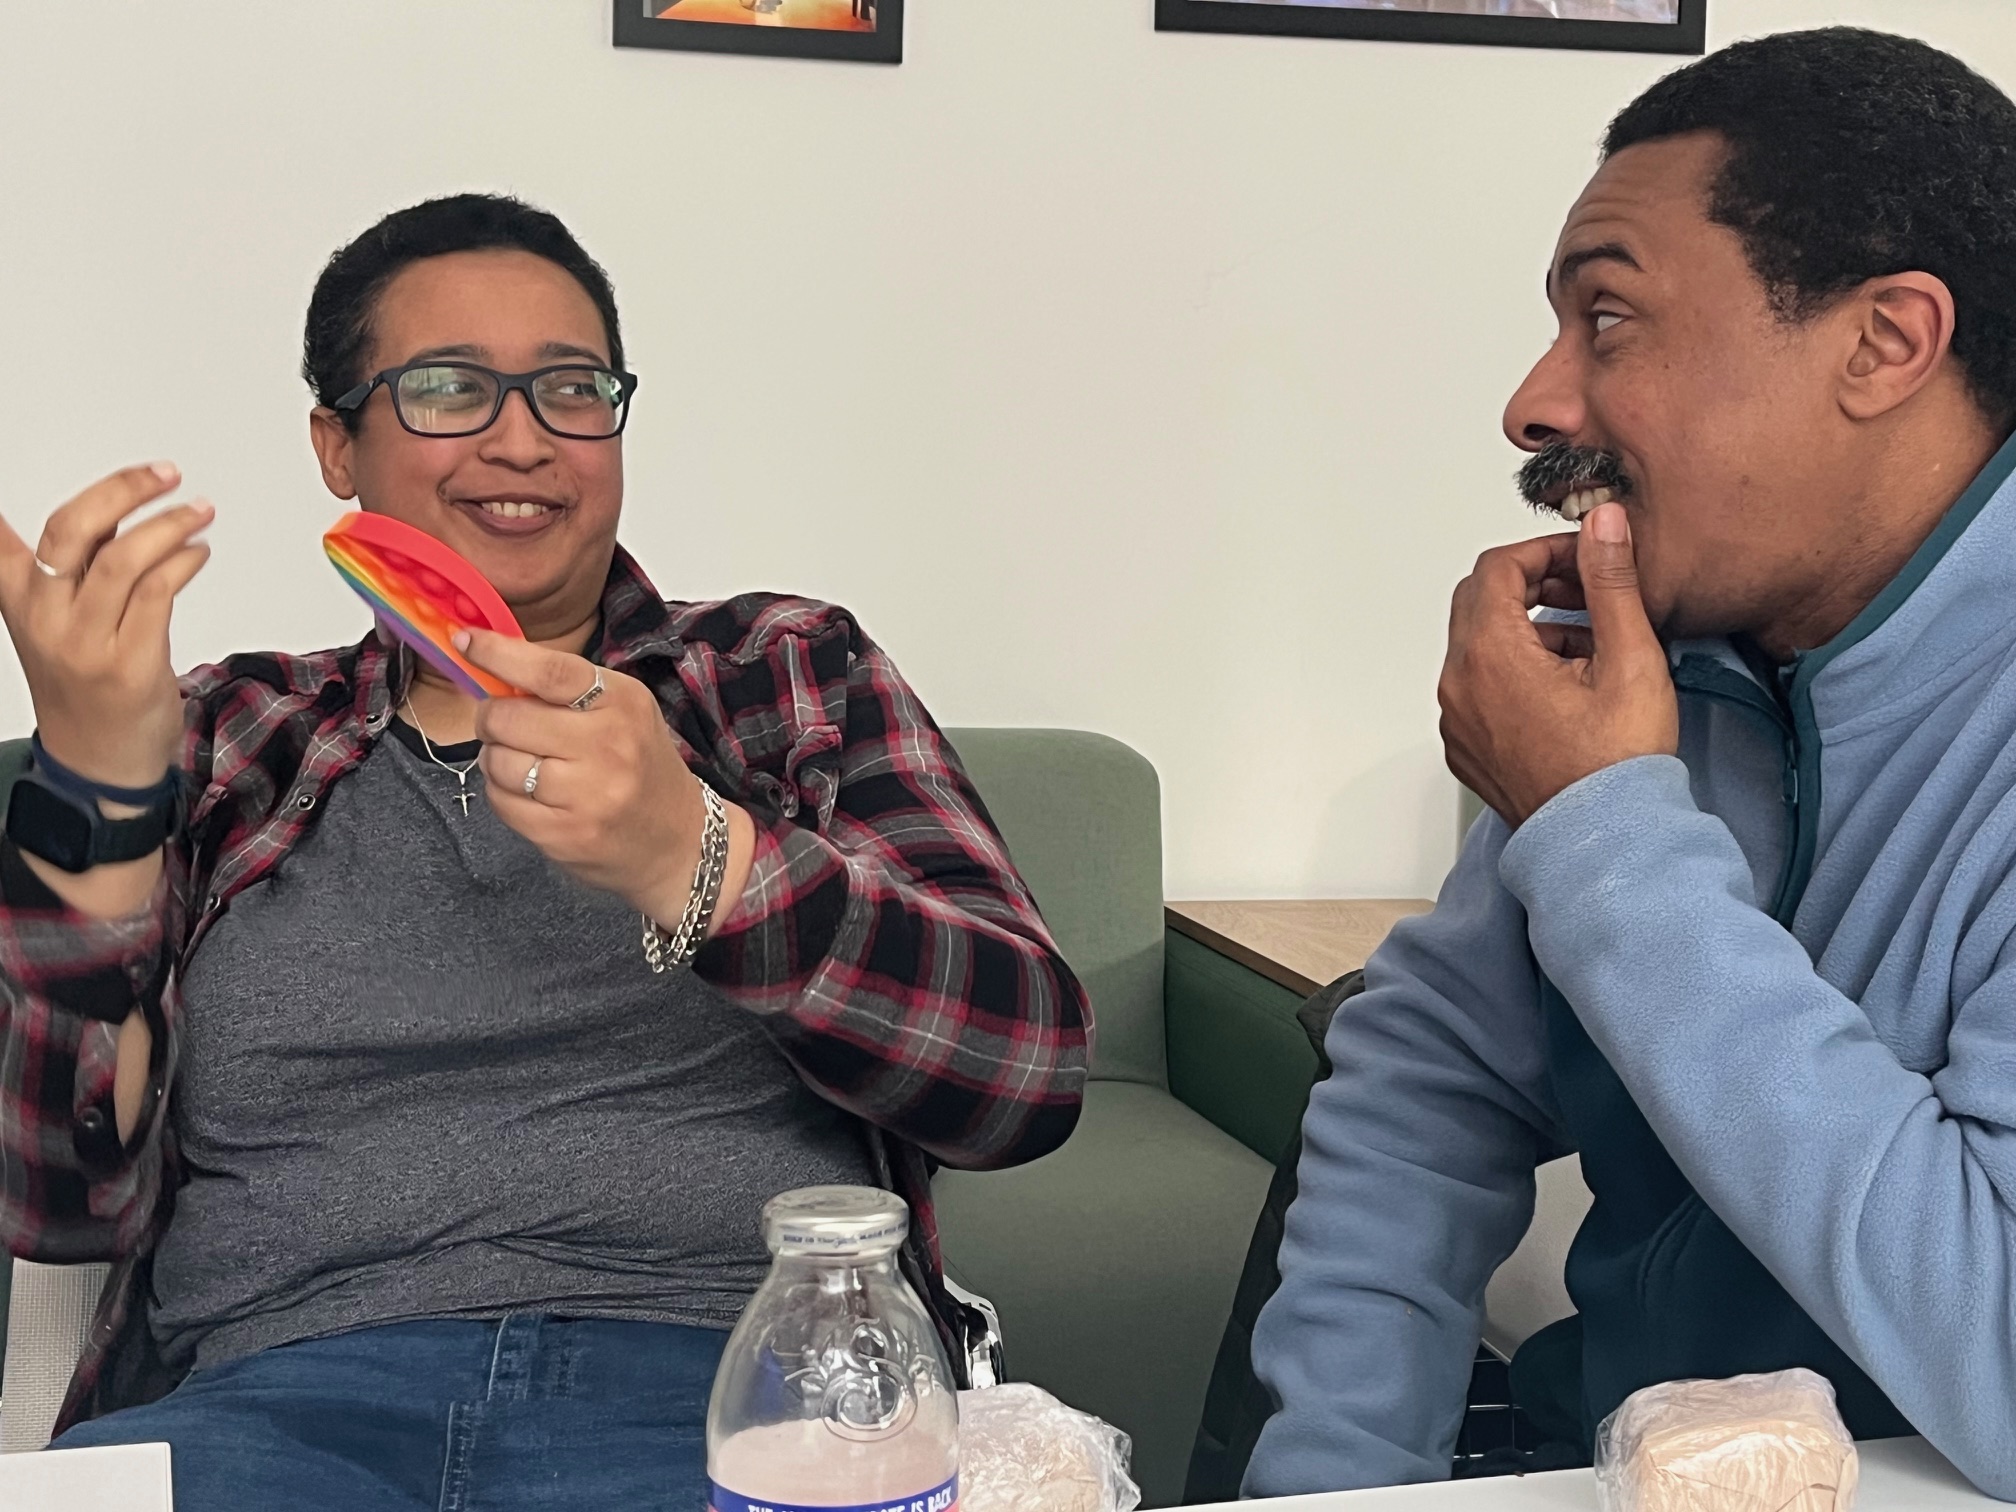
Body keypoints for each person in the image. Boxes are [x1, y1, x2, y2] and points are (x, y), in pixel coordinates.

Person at [0, 193, 1089, 1509]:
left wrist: (701, 859)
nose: (523, 439)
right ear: (336, 443)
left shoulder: (779, 671)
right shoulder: (232, 735)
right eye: (450, 388)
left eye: (572, 388)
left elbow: (1023, 1071)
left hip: (734, 1404)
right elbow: (58, 1202)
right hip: (275, 1410)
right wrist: (99, 785)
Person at [1247, 28, 2016, 1502]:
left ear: (1885, 344)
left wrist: (1601, 831)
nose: (1535, 404)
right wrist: (1344, 1487)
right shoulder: (1687, 669)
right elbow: (1425, 1081)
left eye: (1610, 319)